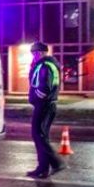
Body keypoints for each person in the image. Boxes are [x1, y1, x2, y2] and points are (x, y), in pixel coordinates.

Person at [26, 42, 66, 179]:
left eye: (34, 53)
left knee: (38, 135)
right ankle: (43, 168)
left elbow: (45, 88)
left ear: (41, 52)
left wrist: (37, 97)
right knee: (41, 136)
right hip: (47, 104)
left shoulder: (45, 66)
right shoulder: (48, 64)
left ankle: (56, 163)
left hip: (44, 105)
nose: (33, 55)